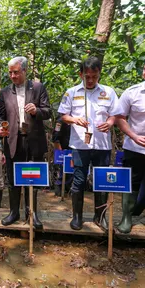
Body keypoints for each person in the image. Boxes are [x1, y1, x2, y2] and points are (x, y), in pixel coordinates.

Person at [58, 56, 121, 231]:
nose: (91, 80)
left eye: (94, 76)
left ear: (99, 74)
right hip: (79, 145)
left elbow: (116, 114)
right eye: (87, 76)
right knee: (78, 180)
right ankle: (77, 217)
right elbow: (63, 115)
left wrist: (109, 122)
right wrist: (74, 119)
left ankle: (99, 217)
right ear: (81, 74)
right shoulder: (71, 92)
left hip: (102, 145)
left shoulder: (108, 92)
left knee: (101, 182)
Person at [0, 56, 51, 229]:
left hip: (33, 141)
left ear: (25, 71)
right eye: (10, 72)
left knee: (32, 178)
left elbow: (48, 111)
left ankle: (31, 213)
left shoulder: (38, 88)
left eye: (16, 72)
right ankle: (14, 212)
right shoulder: (5, 92)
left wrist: (37, 111)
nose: (13, 76)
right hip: (13, 141)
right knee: (13, 179)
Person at [115, 64, 145, 233]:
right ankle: (126, 218)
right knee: (130, 183)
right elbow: (120, 117)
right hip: (135, 147)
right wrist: (134, 136)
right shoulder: (132, 92)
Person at [52, 113, 73, 196]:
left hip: (72, 148)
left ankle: (67, 189)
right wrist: (60, 151)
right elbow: (56, 138)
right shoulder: (60, 121)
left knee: (70, 171)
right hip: (64, 149)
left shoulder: (74, 119)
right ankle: (59, 187)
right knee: (63, 170)